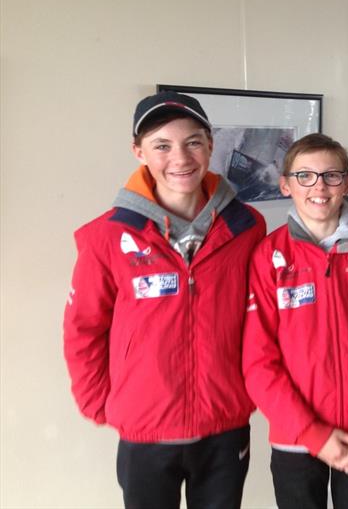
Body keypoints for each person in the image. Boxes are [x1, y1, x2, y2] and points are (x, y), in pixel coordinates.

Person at [63, 91, 266, 509]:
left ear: (211, 145)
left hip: (224, 424)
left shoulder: (248, 227)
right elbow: (83, 328)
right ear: (138, 152)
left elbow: (260, 319)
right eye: (162, 145)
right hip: (145, 430)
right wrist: (101, 403)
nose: (181, 158)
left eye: (193, 141)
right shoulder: (105, 238)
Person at [242, 133, 348, 509]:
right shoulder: (268, 257)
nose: (319, 186)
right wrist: (312, 434)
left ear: (347, 183)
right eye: (305, 176)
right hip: (295, 438)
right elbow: (258, 363)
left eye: (331, 175)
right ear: (286, 185)